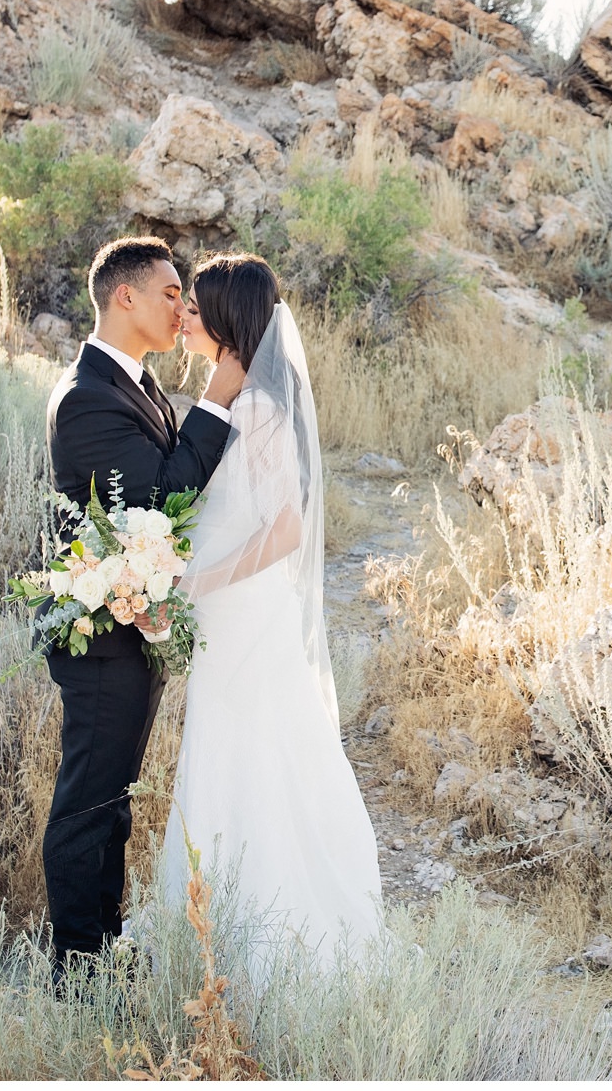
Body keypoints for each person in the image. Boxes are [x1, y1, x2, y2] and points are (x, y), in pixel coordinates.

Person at [158, 252, 382, 972]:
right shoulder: (242, 398)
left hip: (243, 611)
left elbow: (284, 527)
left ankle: (266, 943)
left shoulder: (256, 407)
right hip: (234, 612)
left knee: (248, 754)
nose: (184, 318)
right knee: (232, 753)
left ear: (225, 320)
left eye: (194, 308)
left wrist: (200, 583)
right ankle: (218, 930)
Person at [40, 236, 245, 971]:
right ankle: (73, 970)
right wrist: (219, 395)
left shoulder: (139, 384)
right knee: (87, 804)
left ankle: (103, 947)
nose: (182, 306)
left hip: (137, 631)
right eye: (169, 293)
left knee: (112, 802)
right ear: (124, 297)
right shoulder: (88, 397)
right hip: (100, 642)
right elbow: (163, 496)